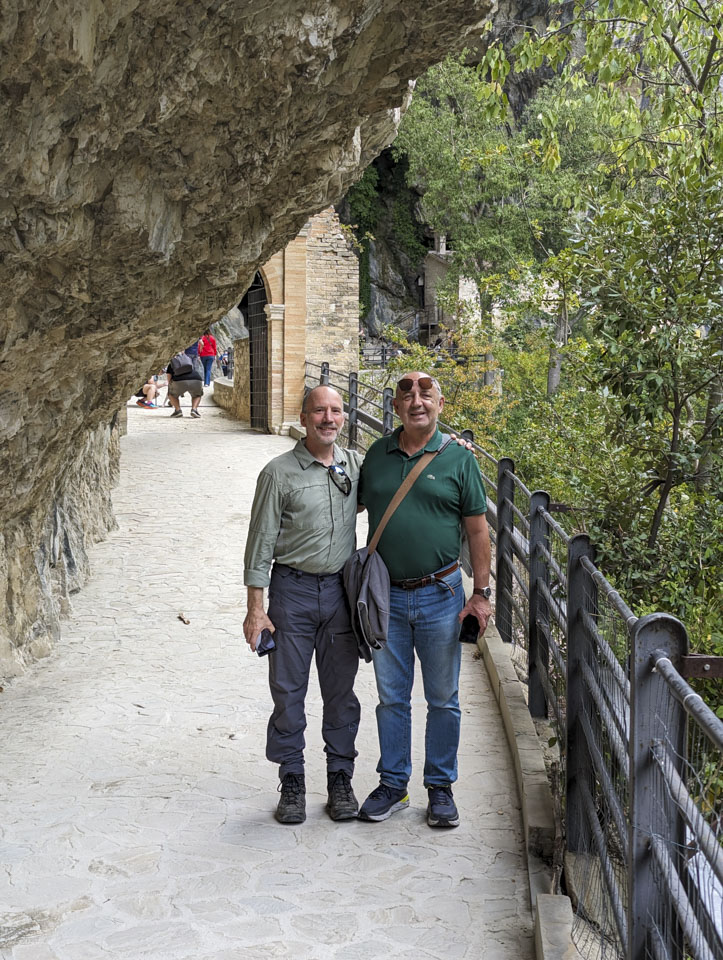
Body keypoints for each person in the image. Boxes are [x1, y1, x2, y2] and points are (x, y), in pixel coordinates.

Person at [357, 371, 492, 829]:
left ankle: (441, 788)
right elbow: (339, 502)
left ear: (440, 403)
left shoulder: (459, 460)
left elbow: (478, 530)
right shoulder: (375, 456)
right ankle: (394, 783)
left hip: (442, 595)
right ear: (395, 406)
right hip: (385, 600)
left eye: (425, 394)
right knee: (391, 697)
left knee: (444, 699)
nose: (416, 401)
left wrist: (482, 594)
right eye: (407, 394)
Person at [243, 386, 363, 825]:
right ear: (303, 417)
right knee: (289, 690)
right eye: (319, 411)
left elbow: (401, 476)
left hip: (340, 594)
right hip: (291, 593)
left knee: (340, 692)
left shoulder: (354, 465)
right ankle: (292, 778)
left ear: (344, 417)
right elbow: (259, 544)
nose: (327, 418)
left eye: (335, 411)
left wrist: (446, 447)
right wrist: (257, 608)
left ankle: (339, 778)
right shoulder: (278, 473)